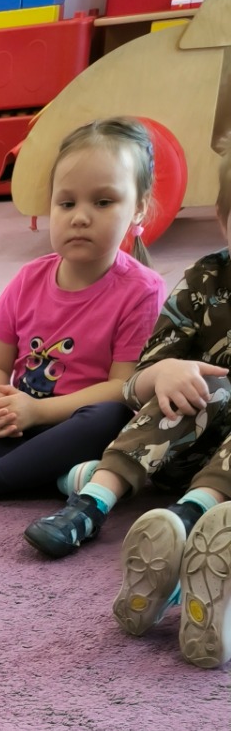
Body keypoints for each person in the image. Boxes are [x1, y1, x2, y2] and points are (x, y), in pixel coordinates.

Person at [22, 149, 231, 669]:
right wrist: (165, 371)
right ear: (223, 219)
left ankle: (189, 533)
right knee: (192, 385)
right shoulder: (206, 280)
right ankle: (92, 503)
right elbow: (136, 382)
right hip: (181, 447)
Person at [0, 117, 162, 506]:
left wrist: (39, 410)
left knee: (111, 417)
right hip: (23, 426)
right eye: (66, 203)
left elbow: (122, 388)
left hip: (77, 425)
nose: (80, 216)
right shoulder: (29, 279)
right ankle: (57, 477)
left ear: (138, 208)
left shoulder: (141, 290)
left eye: (103, 202)